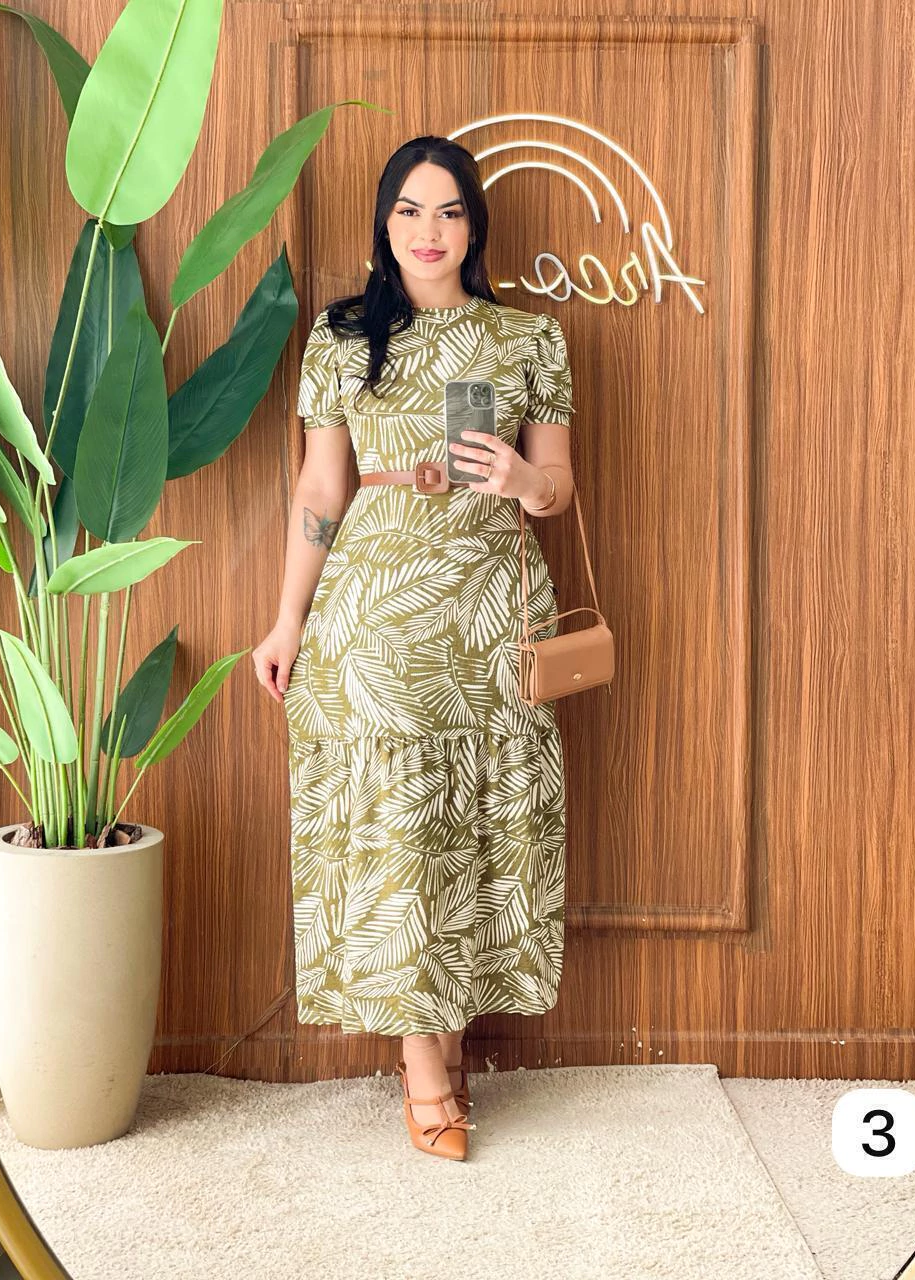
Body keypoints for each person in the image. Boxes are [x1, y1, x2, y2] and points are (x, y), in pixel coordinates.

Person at [252, 134, 575, 1161]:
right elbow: (320, 488)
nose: (428, 231)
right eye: (408, 210)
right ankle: (424, 1064)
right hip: (378, 610)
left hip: (493, 608)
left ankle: (444, 1033)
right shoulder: (344, 335)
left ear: (474, 227)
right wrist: (288, 618)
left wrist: (522, 480)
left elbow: (558, 487)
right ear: (384, 224)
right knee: (402, 824)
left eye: (448, 211)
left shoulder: (529, 338)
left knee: (471, 824)